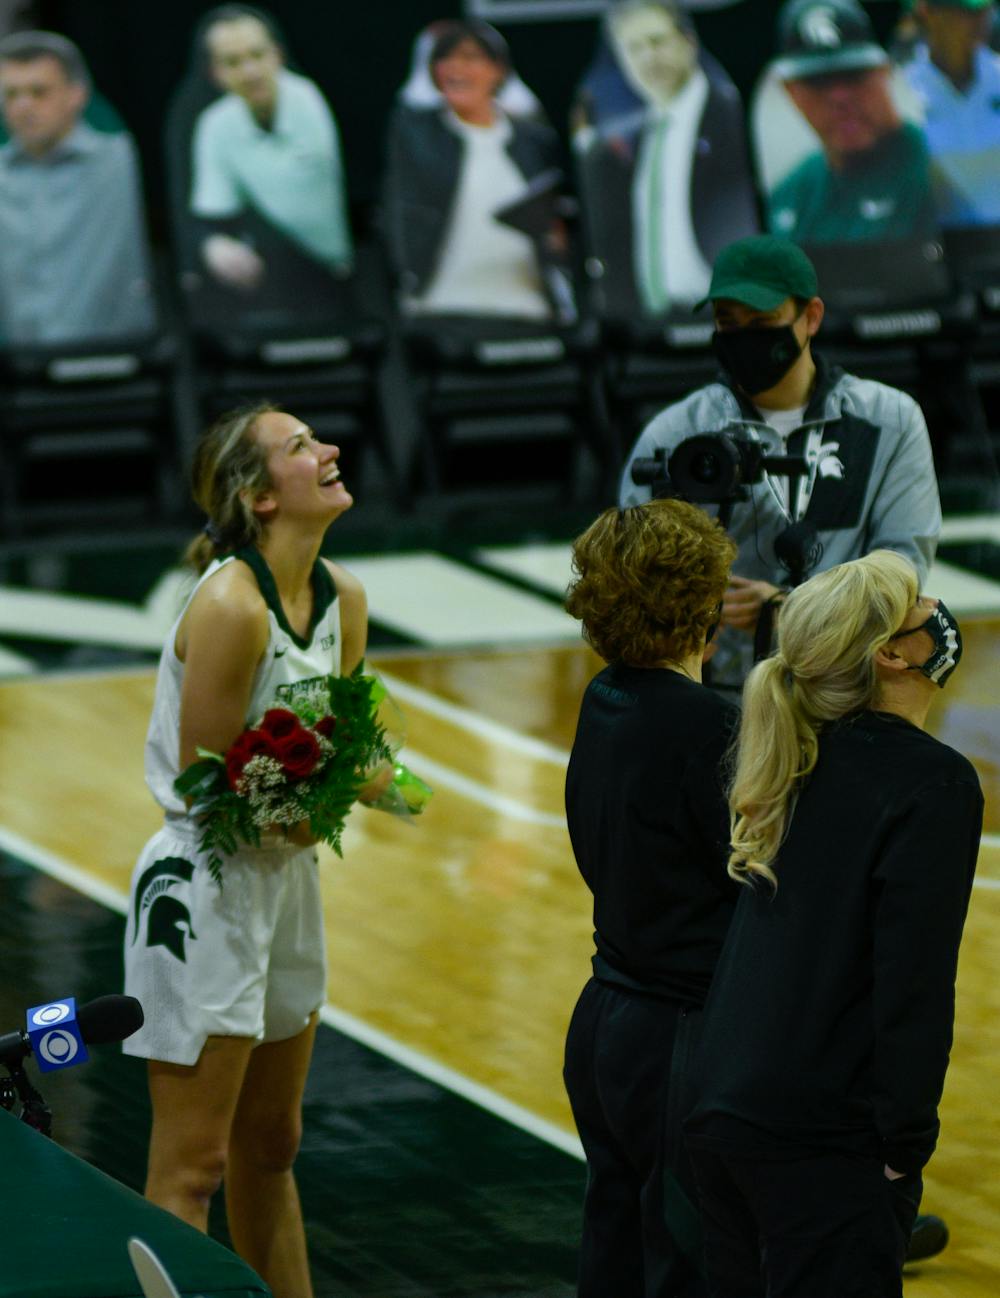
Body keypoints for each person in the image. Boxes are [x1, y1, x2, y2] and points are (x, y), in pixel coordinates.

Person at [123, 402, 382, 1298]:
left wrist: (346, 787)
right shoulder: (233, 604)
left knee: (272, 1148)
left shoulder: (344, 598)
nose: (328, 449)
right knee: (194, 1163)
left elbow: (343, 741)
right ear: (257, 495)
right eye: (301, 446)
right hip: (205, 884)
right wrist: (313, 809)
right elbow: (206, 780)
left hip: (287, 879)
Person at [684, 550, 983, 1298]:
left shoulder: (797, 750)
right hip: (819, 1135)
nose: (937, 611)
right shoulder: (933, 782)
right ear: (890, 655)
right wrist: (904, 1146)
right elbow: (912, 982)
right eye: (919, 608)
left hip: (720, 1108)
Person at [619, 234, 941, 696]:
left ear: (811, 317)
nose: (745, 337)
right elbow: (630, 574)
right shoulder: (675, 434)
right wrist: (689, 609)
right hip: (714, 691)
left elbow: (903, 568)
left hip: (841, 688)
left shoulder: (890, 420)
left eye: (762, 321)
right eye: (728, 323)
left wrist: (793, 609)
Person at [562, 499, 739, 1298]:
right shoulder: (711, 727)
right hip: (680, 1035)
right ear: (708, 606)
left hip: (605, 1019)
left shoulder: (604, 698)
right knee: (685, 1268)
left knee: (615, 1252)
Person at [574, 0, 758, 319]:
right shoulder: (631, 141)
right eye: (633, 48)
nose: (648, 58)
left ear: (689, 42)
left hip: (730, 316)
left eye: (657, 41)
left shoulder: (730, 116)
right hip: (655, 324)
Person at [382, 19, 573, 323]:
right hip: (443, 306)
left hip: (527, 306)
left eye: (470, 58)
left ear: (498, 70)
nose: (456, 69)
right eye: (445, 59)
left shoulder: (532, 140)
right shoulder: (417, 139)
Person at [0, 30, 155, 345]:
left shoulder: (122, 161)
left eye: (38, 91)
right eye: (11, 94)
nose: (24, 106)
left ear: (77, 94)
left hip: (120, 359)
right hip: (21, 367)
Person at [189, 5, 353, 302]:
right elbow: (214, 214)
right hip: (263, 282)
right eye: (233, 62)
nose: (250, 72)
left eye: (257, 55)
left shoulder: (309, 99)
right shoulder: (213, 124)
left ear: (277, 55)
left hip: (333, 272)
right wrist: (215, 246)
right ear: (216, 73)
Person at [767, 0, 939, 244]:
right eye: (818, 82)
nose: (840, 98)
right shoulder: (790, 195)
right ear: (791, 92)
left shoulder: (940, 167)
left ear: (884, 72)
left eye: (853, 75)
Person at [902, 0, 1000, 227]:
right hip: (937, 252)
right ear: (927, 11)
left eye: (985, 9)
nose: (981, 20)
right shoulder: (901, 91)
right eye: (965, 11)